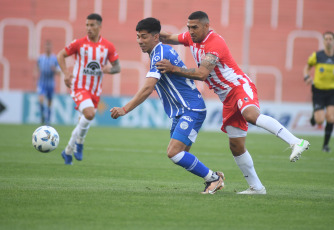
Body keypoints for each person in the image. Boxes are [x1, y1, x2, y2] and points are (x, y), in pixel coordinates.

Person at [156, 11, 310, 195]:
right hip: (227, 98)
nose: (191, 31)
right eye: (189, 27)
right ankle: (257, 187)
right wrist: (150, 33)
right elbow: (168, 37)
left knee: (250, 115)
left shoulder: (214, 43)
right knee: (236, 145)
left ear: (206, 26)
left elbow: (202, 74)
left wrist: (173, 68)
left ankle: (296, 142)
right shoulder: (191, 37)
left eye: (195, 27)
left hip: (238, 87)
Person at [110, 17, 224, 194]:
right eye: (138, 37)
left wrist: (124, 109)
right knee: (180, 153)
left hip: (191, 108)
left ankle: (213, 179)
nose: (140, 41)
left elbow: (148, 88)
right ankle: (214, 176)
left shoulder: (160, 53)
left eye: (144, 37)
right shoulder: (158, 52)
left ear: (156, 37)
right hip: (181, 110)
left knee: (174, 152)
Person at [57, 13, 121, 165]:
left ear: (99, 26)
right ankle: (80, 142)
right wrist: (66, 73)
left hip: (95, 91)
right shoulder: (79, 44)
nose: (89, 28)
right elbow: (61, 55)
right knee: (90, 113)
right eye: (87, 25)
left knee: (83, 121)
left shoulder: (108, 46)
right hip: (79, 87)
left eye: (92, 25)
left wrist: (108, 70)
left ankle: (67, 151)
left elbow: (117, 67)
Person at [304, 31, 334, 153]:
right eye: (326, 39)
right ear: (323, 41)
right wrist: (307, 77)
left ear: (333, 41)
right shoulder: (317, 56)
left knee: (331, 118)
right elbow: (307, 66)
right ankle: (315, 115)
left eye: (330, 39)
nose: (328, 41)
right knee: (320, 120)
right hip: (318, 92)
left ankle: (325, 145)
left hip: (331, 91)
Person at [35, 40, 60, 125]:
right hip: (41, 83)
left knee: (49, 102)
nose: (48, 48)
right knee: (41, 99)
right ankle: (42, 115)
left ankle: (48, 120)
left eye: (49, 46)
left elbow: (59, 72)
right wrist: (36, 73)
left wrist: (55, 70)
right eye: (46, 46)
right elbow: (37, 68)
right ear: (45, 48)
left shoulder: (55, 59)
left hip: (51, 84)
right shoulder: (41, 58)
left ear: (51, 48)